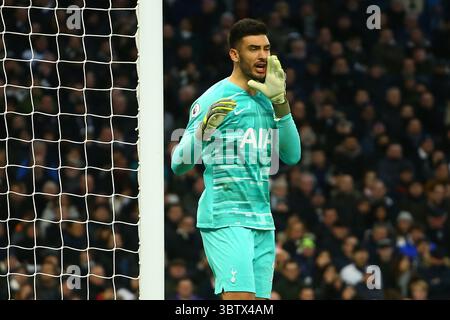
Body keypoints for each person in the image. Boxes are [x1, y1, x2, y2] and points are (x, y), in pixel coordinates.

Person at [171, 18, 301, 300]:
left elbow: (292, 155)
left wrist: (280, 102)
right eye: (253, 48)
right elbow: (178, 164)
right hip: (226, 218)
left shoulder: (269, 98)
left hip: (263, 221)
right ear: (234, 54)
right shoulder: (214, 98)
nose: (262, 55)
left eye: (266, 48)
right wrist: (203, 130)